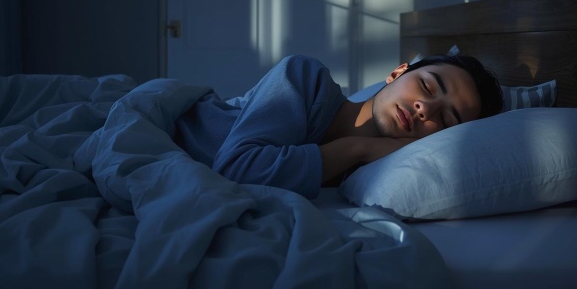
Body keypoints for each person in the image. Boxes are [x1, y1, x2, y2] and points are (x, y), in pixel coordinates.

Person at [174, 54, 503, 198]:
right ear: (397, 72)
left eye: (446, 120)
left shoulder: (379, 174)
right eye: (427, 87)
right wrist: (356, 148)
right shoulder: (306, 78)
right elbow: (234, 168)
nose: (425, 109)